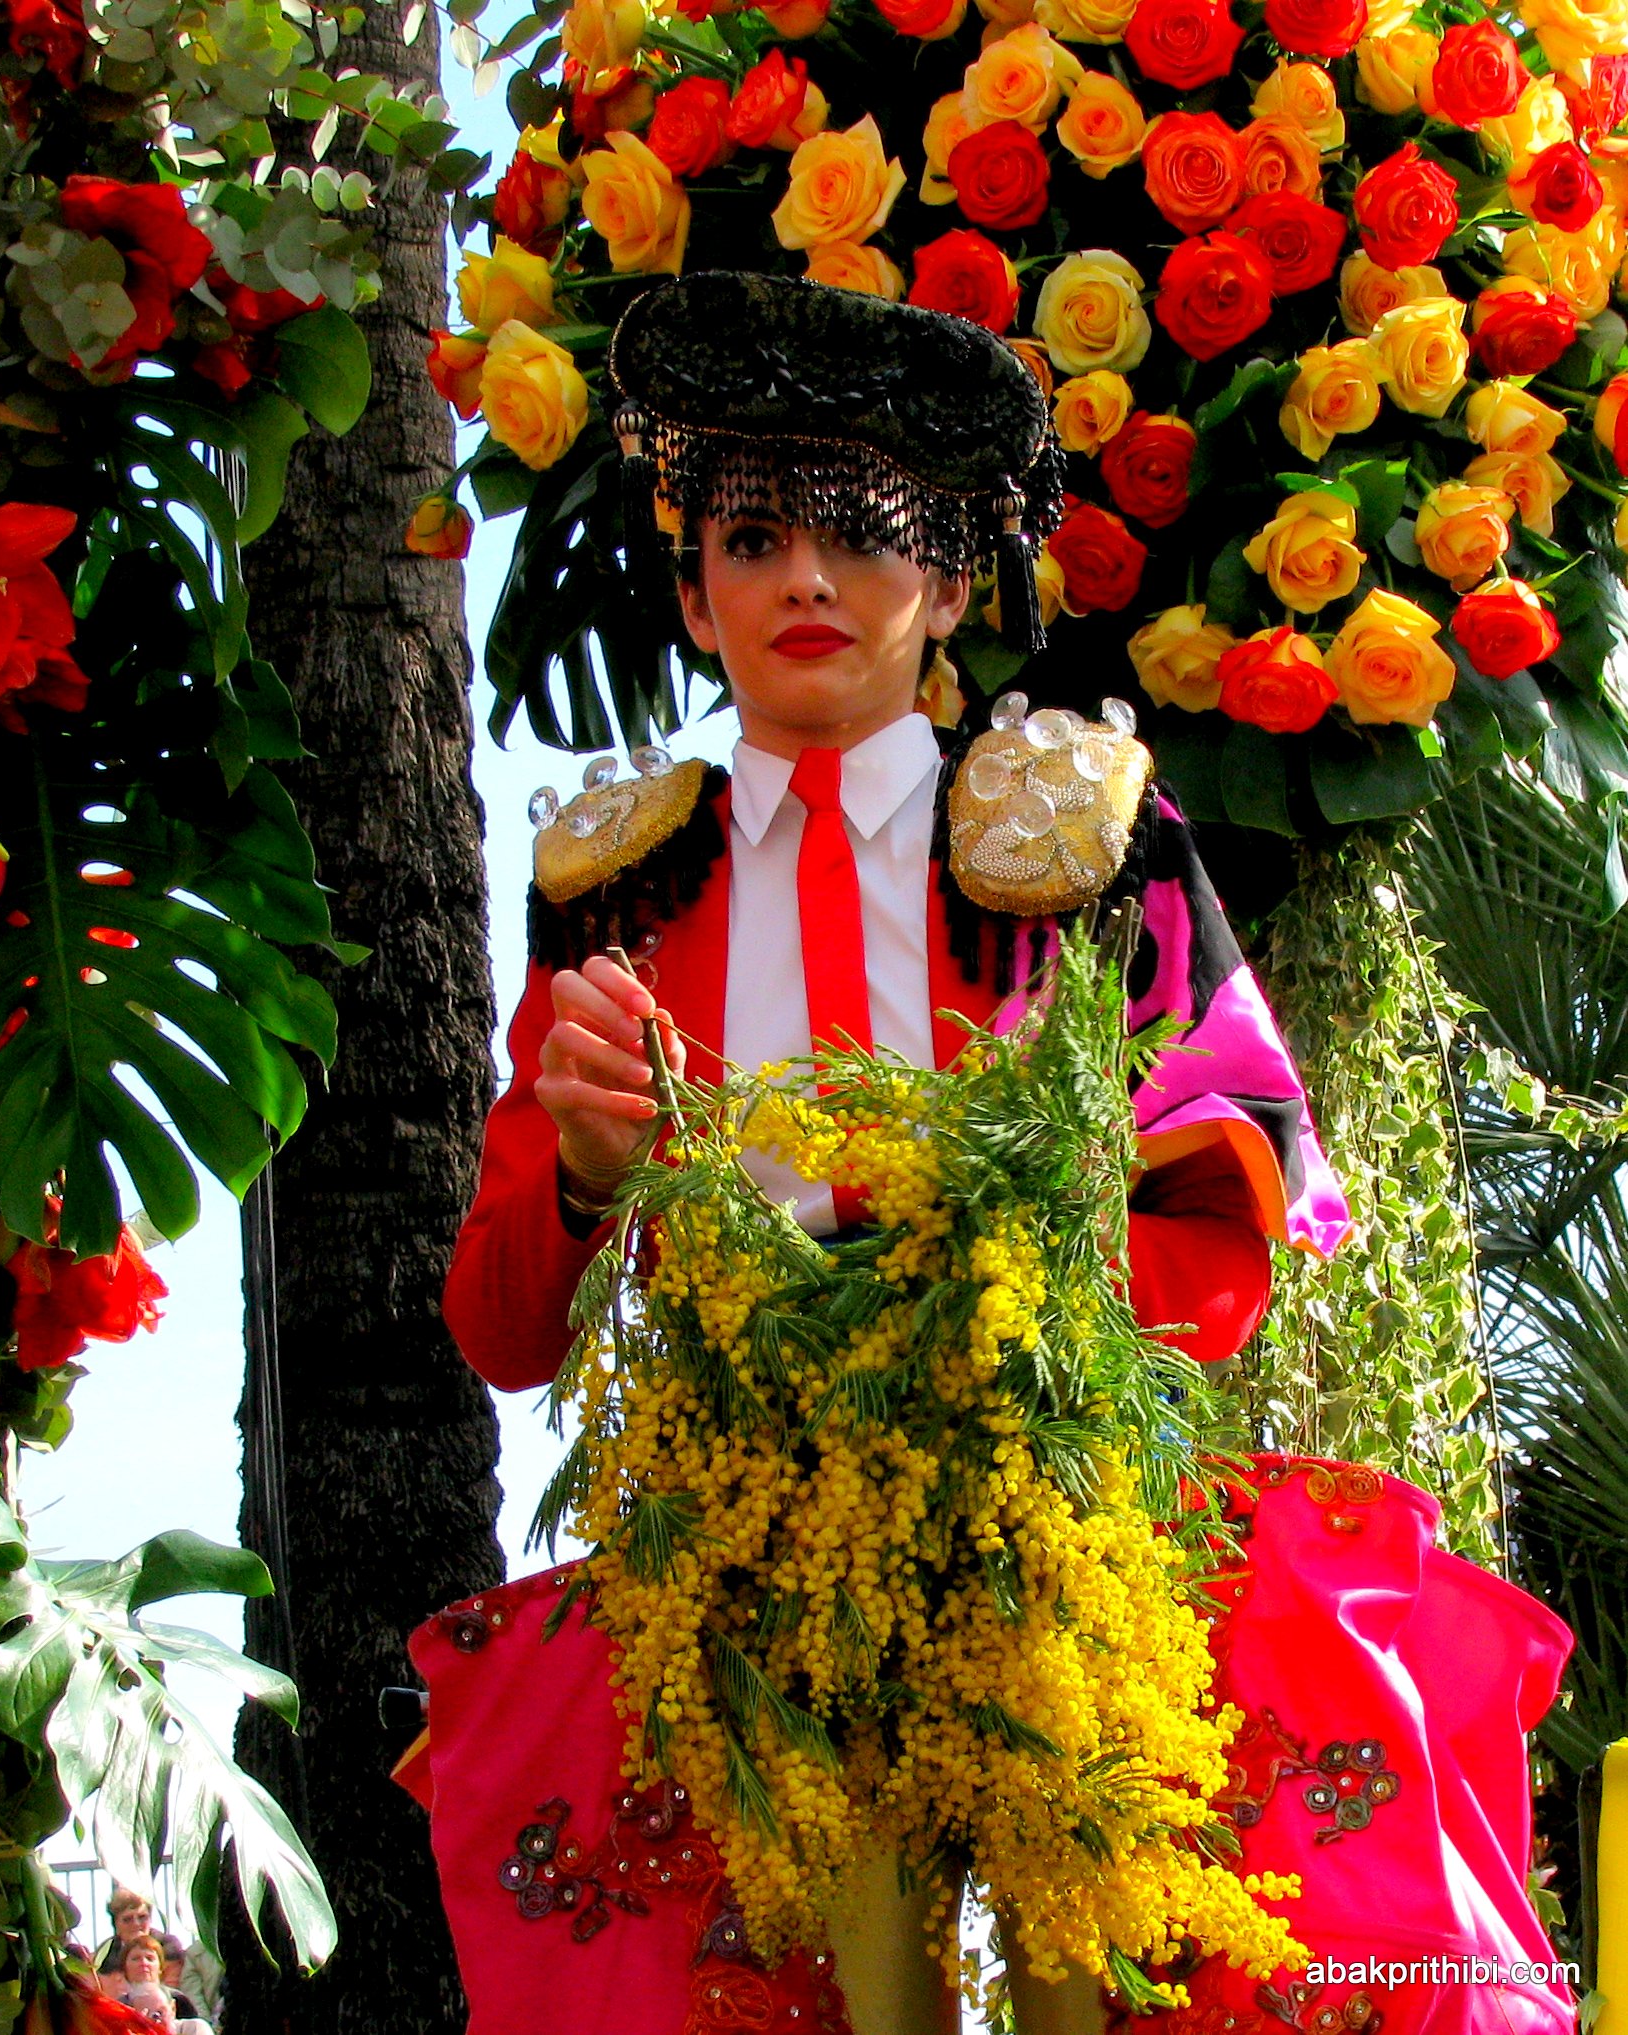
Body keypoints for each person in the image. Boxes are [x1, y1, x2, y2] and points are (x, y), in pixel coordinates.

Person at [402, 272, 1574, 2035]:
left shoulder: (1083, 833)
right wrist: (579, 1175)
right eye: (750, 539)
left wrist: (1028, 1325)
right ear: (694, 593)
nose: (804, 582)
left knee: (1104, 1984)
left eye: (861, 535)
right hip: (752, 1562)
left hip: (1062, 1518)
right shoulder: (615, 891)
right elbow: (501, 1328)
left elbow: (1233, 1188)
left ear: (951, 582)